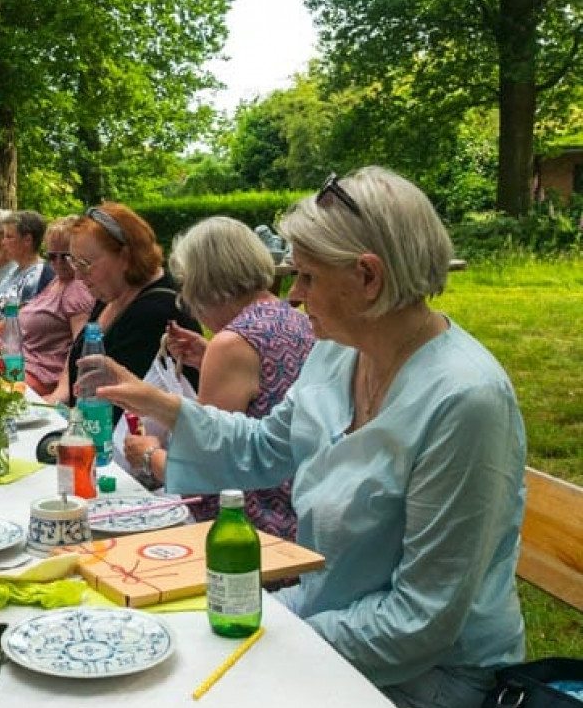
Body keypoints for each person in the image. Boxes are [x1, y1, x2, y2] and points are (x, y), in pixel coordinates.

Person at [95, 167, 526, 708]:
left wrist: (270, 643)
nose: (294, 295)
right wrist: (162, 404)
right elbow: (267, 448)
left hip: (425, 676)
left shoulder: (464, 399)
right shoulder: (341, 350)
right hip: (328, 619)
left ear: (368, 277)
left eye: (307, 276)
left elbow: (421, 620)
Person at [122, 216, 314, 534]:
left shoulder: (233, 343)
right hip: (302, 515)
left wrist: (149, 456)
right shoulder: (296, 320)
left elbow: (208, 472)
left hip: (252, 531)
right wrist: (206, 356)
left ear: (202, 285)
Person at [47, 203, 201, 422]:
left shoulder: (157, 312)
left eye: (85, 263)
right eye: (74, 262)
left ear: (126, 257)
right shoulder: (113, 294)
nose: (78, 276)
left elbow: (123, 410)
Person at [18, 215, 95, 396]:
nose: (58, 263)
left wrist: (60, 394)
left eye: (66, 257)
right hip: (22, 365)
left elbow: (81, 347)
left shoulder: (76, 289)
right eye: (52, 256)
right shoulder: (56, 281)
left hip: (42, 376)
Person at [0, 210, 54, 321]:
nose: (3, 242)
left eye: (9, 237)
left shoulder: (39, 274)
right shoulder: (15, 270)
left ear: (27, 240)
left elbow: (23, 315)